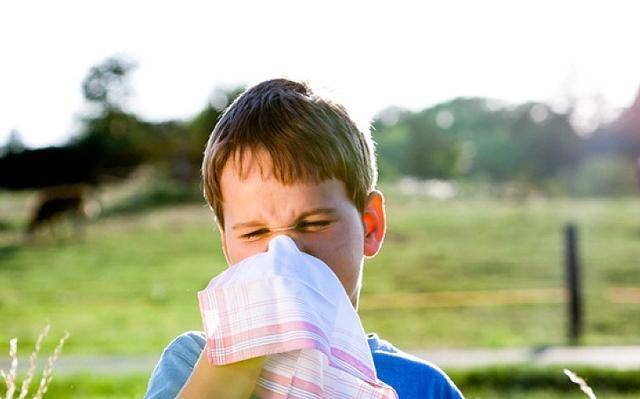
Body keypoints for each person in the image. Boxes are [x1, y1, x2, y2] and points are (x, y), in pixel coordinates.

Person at [143, 78, 464, 398]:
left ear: (370, 226)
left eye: (313, 224)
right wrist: (234, 363)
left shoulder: (423, 387)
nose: (286, 257)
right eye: (255, 233)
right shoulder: (189, 364)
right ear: (226, 245)